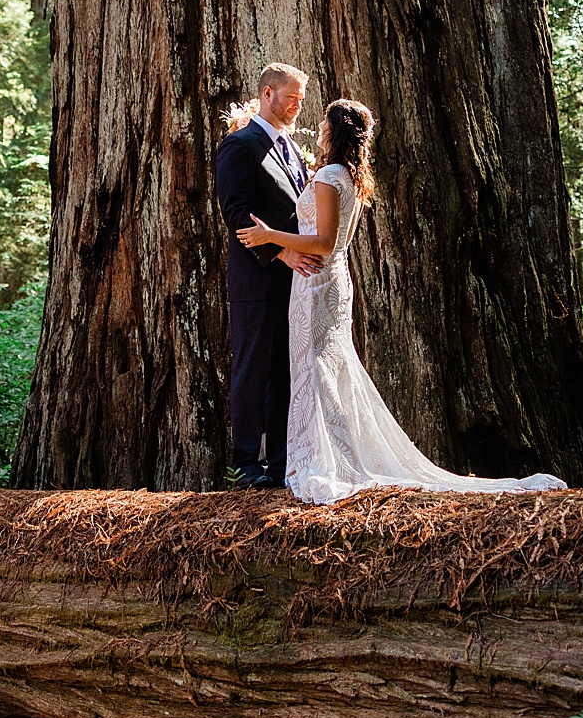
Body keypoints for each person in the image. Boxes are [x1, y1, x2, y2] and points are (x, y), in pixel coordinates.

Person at [238, 96, 565, 506]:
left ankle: (328, 461)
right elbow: (337, 244)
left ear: (333, 131)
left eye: (323, 123)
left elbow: (322, 243)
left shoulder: (328, 178)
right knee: (329, 368)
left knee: (316, 368)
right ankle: (333, 454)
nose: (318, 128)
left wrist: (272, 237)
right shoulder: (351, 177)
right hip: (334, 281)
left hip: (316, 282)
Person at [214, 62, 320, 490]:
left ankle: (280, 463)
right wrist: (283, 253)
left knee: (284, 372)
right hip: (257, 282)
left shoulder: (292, 150)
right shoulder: (239, 146)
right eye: (290, 97)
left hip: (293, 282)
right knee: (253, 371)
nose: (297, 106)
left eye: (301, 99)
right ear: (267, 94)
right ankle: (245, 464)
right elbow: (236, 215)